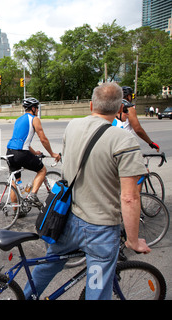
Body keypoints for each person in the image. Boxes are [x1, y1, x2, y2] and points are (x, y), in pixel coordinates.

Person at [24, 83, 151, 300]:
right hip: (100, 230)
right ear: (121, 108)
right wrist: (133, 240)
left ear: (91, 104)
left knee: (48, 266)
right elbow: (129, 197)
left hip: (67, 219)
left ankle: (24, 297)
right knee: (97, 287)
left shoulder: (73, 126)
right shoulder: (124, 140)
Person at [6, 98, 61, 207]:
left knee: (15, 181)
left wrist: (35, 152)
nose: (38, 110)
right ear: (33, 108)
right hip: (21, 153)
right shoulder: (34, 119)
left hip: (9, 152)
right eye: (37, 108)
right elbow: (43, 139)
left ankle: (16, 210)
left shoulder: (19, 120)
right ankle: (33, 195)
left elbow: (22, 140)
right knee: (42, 170)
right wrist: (52, 153)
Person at [113, 86, 159, 151]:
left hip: (112, 142)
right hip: (124, 143)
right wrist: (150, 143)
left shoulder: (111, 106)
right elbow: (138, 129)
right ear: (128, 96)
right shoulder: (129, 108)